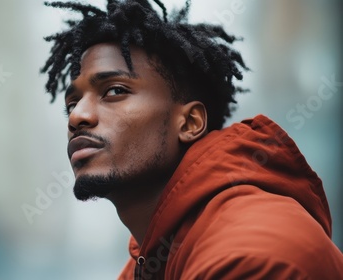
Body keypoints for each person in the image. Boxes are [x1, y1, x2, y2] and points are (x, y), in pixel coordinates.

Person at [40, 0, 343, 279]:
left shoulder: (248, 256)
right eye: (71, 104)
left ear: (190, 123)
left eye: (115, 90)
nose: (77, 116)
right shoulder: (154, 257)